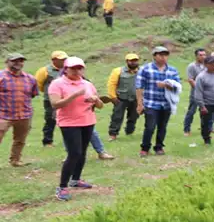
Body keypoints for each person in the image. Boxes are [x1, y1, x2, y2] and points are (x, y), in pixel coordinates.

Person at [48, 57, 104, 201]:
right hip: (68, 122)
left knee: (83, 152)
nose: (77, 71)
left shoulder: (87, 84)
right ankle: (62, 187)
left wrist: (95, 100)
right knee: (74, 153)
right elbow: (55, 104)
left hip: (87, 121)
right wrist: (74, 95)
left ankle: (76, 179)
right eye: (73, 68)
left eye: (80, 68)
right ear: (65, 69)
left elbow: (100, 105)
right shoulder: (57, 84)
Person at [136, 45, 182, 156]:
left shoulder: (172, 70)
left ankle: (159, 147)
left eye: (165, 55)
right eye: (160, 55)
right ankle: (145, 148)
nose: (163, 57)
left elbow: (178, 86)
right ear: (154, 56)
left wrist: (167, 85)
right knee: (150, 126)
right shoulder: (146, 69)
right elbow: (139, 86)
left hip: (166, 104)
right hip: (151, 103)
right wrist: (139, 104)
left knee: (162, 127)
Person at [0, 53, 39, 168]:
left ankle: (15, 160)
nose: (18, 63)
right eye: (14, 60)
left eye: (21, 61)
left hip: (24, 115)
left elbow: (33, 94)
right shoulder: (1, 77)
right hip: (3, 115)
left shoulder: (30, 79)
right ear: (7, 62)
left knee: (20, 140)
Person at [34, 51, 67, 146]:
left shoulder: (68, 69)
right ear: (54, 60)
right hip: (50, 100)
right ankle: (48, 141)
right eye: (61, 59)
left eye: (65, 59)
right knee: (50, 120)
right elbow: (39, 84)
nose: (64, 61)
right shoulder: (44, 71)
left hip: (66, 99)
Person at [106, 53, 141, 140]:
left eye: (135, 60)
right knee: (117, 117)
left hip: (136, 98)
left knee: (134, 116)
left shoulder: (142, 71)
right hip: (120, 98)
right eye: (131, 61)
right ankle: (113, 134)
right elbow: (111, 84)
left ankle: (129, 132)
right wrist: (113, 97)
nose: (133, 62)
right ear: (127, 61)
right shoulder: (117, 71)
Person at [182, 48, 207, 136]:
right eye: (201, 55)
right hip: (196, 92)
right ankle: (186, 130)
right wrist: (199, 89)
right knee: (192, 111)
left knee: (205, 111)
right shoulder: (192, 66)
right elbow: (191, 80)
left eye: (204, 55)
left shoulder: (207, 65)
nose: (203, 57)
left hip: (206, 92)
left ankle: (205, 129)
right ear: (196, 56)